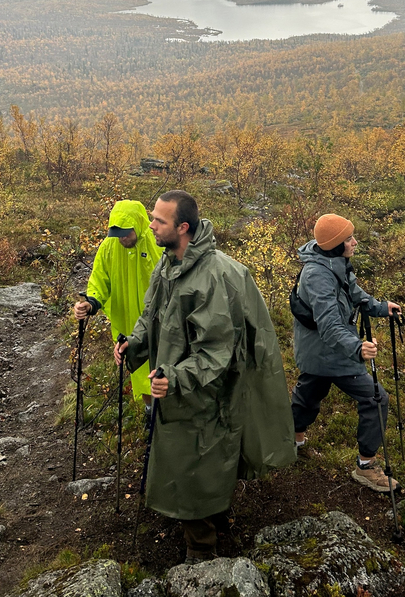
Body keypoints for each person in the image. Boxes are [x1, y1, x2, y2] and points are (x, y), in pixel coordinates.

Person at [114, 190, 295, 563]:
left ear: (182, 227)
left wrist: (176, 378)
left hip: (204, 394)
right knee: (190, 460)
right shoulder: (167, 264)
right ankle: (212, 518)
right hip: (176, 387)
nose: (150, 225)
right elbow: (152, 316)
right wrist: (132, 348)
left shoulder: (210, 277)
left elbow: (216, 351)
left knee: (195, 463)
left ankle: (202, 552)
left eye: (158, 221)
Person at [291, 213, 402, 493]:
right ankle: (365, 467)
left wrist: (380, 306)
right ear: (335, 245)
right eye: (349, 239)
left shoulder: (335, 262)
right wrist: (356, 347)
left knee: (308, 396)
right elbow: (329, 327)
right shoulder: (317, 275)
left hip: (323, 351)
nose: (354, 242)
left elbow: (354, 294)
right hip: (328, 352)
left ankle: (292, 443)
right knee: (376, 398)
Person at [74, 200, 163, 415]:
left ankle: (166, 414)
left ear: (138, 225)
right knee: (140, 371)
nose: (122, 238)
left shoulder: (156, 243)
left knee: (161, 368)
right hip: (128, 324)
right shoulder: (109, 247)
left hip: (159, 322)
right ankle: (150, 411)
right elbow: (99, 281)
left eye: (126, 233)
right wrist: (90, 303)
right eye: (118, 233)